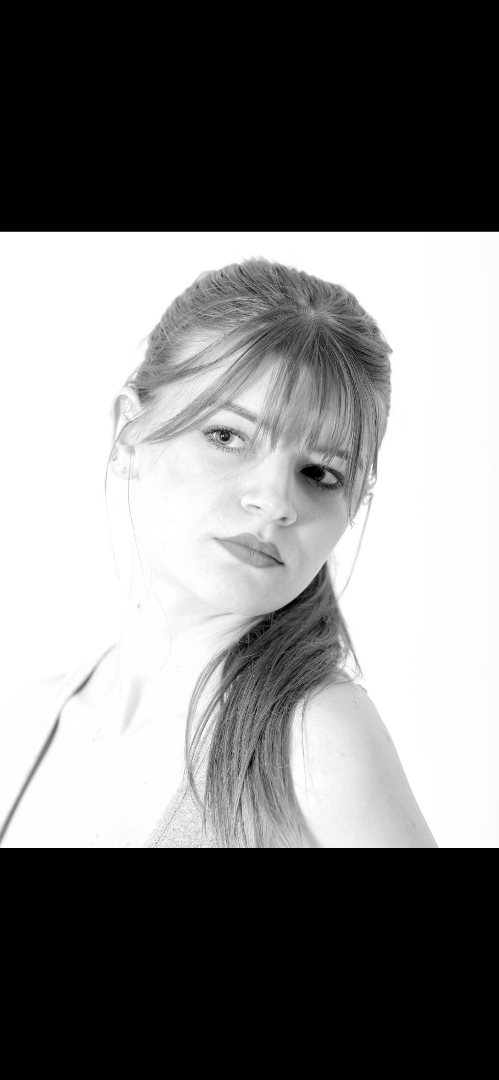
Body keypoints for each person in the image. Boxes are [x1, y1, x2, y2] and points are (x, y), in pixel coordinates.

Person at [0, 258, 437, 848]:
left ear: (354, 500)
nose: (275, 501)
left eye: (320, 473)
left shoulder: (315, 741)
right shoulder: (23, 726)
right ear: (129, 434)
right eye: (228, 436)